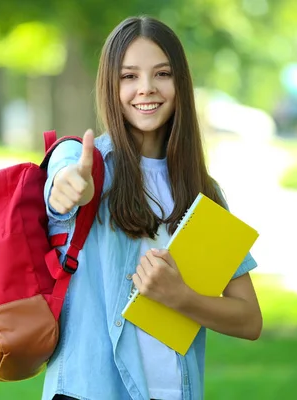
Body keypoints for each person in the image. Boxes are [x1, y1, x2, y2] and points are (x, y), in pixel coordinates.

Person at [43, 15, 262, 400]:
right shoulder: (90, 166)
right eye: (129, 76)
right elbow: (63, 175)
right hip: (91, 391)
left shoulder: (202, 192)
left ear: (180, 83)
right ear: (111, 85)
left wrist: (182, 298)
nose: (146, 88)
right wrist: (66, 187)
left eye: (161, 74)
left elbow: (249, 319)